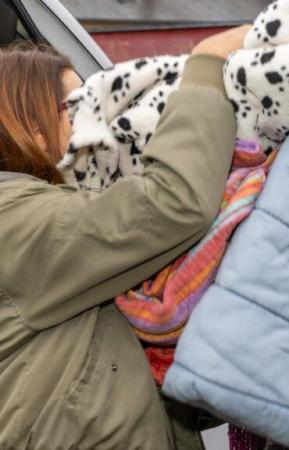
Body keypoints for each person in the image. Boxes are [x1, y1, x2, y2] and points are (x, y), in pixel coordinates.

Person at [0, 25, 250, 449]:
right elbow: (171, 203)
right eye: (76, 104)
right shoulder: (13, 216)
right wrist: (207, 68)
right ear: (33, 126)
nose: (95, 115)